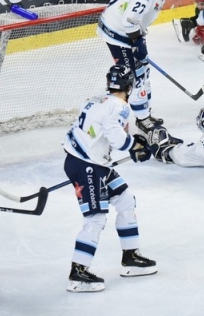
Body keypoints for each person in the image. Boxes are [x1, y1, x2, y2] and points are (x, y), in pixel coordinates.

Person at [62, 64, 157, 292]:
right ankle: (78, 273)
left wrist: (130, 143)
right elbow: (114, 135)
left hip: (88, 162)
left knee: (125, 199)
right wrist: (133, 145)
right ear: (129, 86)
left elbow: (97, 129)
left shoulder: (95, 99)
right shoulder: (120, 105)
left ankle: (130, 257)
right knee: (95, 218)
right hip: (89, 166)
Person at [97, 0, 190, 133]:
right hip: (118, 32)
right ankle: (142, 119)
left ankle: (144, 113)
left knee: (144, 70)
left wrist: (139, 39)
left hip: (128, 32)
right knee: (135, 76)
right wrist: (137, 41)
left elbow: (136, 20)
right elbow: (129, 20)